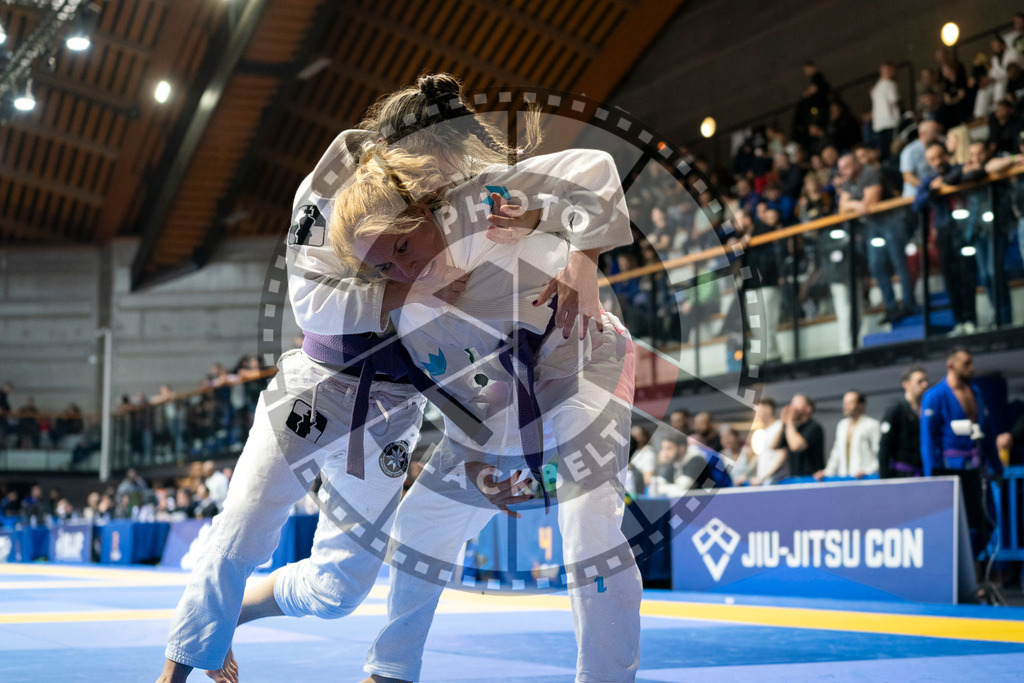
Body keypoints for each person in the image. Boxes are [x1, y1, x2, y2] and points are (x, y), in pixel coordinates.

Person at [329, 79, 640, 683]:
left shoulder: (478, 202)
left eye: (403, 244)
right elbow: (463, 399)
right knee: (422, 521)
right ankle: (391, 669)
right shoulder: (413, 312)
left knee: (587, 521)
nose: (404, 268)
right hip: (506, 398)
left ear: (426, 209)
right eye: (384, 268)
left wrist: (583, 257)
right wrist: (476, 468)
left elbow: (595, 167)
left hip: (584, 360)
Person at [838, 152, 915, 323]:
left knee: (899, 263)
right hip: (873, 225)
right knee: (876, 265)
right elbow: (842, 208)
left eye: (845, 167)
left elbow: (871, 203)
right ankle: (891, 308)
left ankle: (909, 304)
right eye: (840, 169)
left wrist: (855, 204)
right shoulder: (847, 181)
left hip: (891, 219)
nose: (842, 171)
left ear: (856, 164)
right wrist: (857, 204)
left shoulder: (869, 172)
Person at [912, 140, 978, 334]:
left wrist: (945, 181)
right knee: (950, 278)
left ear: (946, 155)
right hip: (943, 232)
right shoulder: (928, 180)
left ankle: (971, 320)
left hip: (964, 227)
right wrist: (933, 189)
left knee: (967, 275)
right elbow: (917, 204)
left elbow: (965, 175)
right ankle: (959, 321)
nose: (937, 161)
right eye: (932, 159)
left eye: (939, 156)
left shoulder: (958, 169)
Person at [920, 347, 1000, 477]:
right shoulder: (934, 396)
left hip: (977, 466)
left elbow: (988, 432)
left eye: (971, 363)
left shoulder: (976, 392)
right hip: (951, 467)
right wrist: (931, 476)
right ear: (951, 366)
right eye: (966, 364)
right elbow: (928, 440)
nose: (971, 368)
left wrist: (997, 466)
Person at [814, 391, 880, 480]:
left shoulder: (872, 425)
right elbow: (836, 452)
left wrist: (868, 471)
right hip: (845, 478)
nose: (846, 406)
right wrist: (827, 472)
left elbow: (879, 453)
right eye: (844, 403)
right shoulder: (842, 425)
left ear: (861, 405)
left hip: (865, 478)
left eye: (850, 403)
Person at [879, 365, 928, 478]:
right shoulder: (895, 410)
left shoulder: (927, 411)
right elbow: (884, 448)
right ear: (906, 384)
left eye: (926, 381)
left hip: (923, 473)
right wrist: (884, 480)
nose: (924, 385)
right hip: (902, 475)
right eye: (919, 381)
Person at [772, 394, 824, 478]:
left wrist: (789, 422)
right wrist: (782, 423)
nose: (792, 409)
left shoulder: (814, 427)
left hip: (811, 478)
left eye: (796, 405)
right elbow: (774, 446)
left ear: (808, 409)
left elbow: (796, 446)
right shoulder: (793, 429)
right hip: (795, 478)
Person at [749, 398, 787, 486]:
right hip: (764, 483)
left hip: (776, 482)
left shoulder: (780, 427)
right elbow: (759, 457)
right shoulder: (763, 432)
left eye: (759, 411)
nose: (757, 415)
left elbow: (782, 456)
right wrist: (745, 475)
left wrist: (763, 478)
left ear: (768, 410)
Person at [870, 62, 901, 159]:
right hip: (891, 122)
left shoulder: (876, 87)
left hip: (879, 125)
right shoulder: (890, 84)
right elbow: (895, 101)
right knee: (892, 151)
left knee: (885, 151)